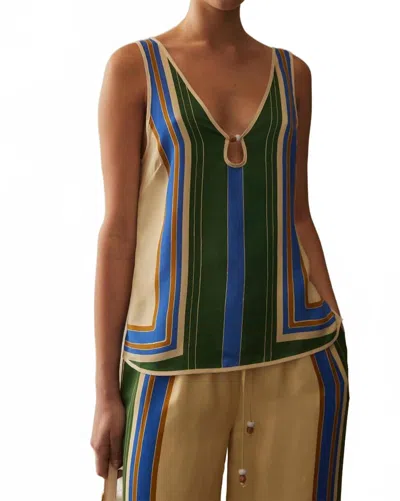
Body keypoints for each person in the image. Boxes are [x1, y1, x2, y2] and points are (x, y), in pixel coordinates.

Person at [91, 0, 350, 499]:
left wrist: (338, 337)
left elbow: (297, 214)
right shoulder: (135, 68)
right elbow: (119, 232)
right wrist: (106, 393)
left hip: (298, 357)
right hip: (168, 365)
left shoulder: (292, 75)